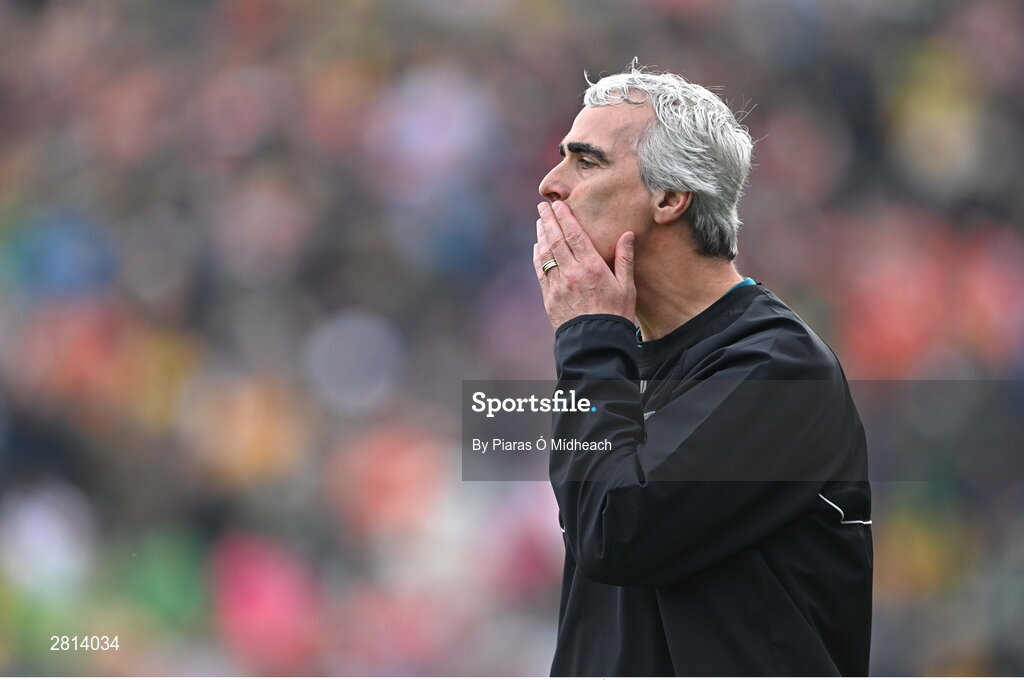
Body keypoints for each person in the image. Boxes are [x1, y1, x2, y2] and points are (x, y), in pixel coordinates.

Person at [532, 64, 872, 676]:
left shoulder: (781, 368)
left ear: (669, 198)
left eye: (585, 162)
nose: (550, 185)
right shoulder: (620, 360)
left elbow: (614, 531)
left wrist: (586, 333)